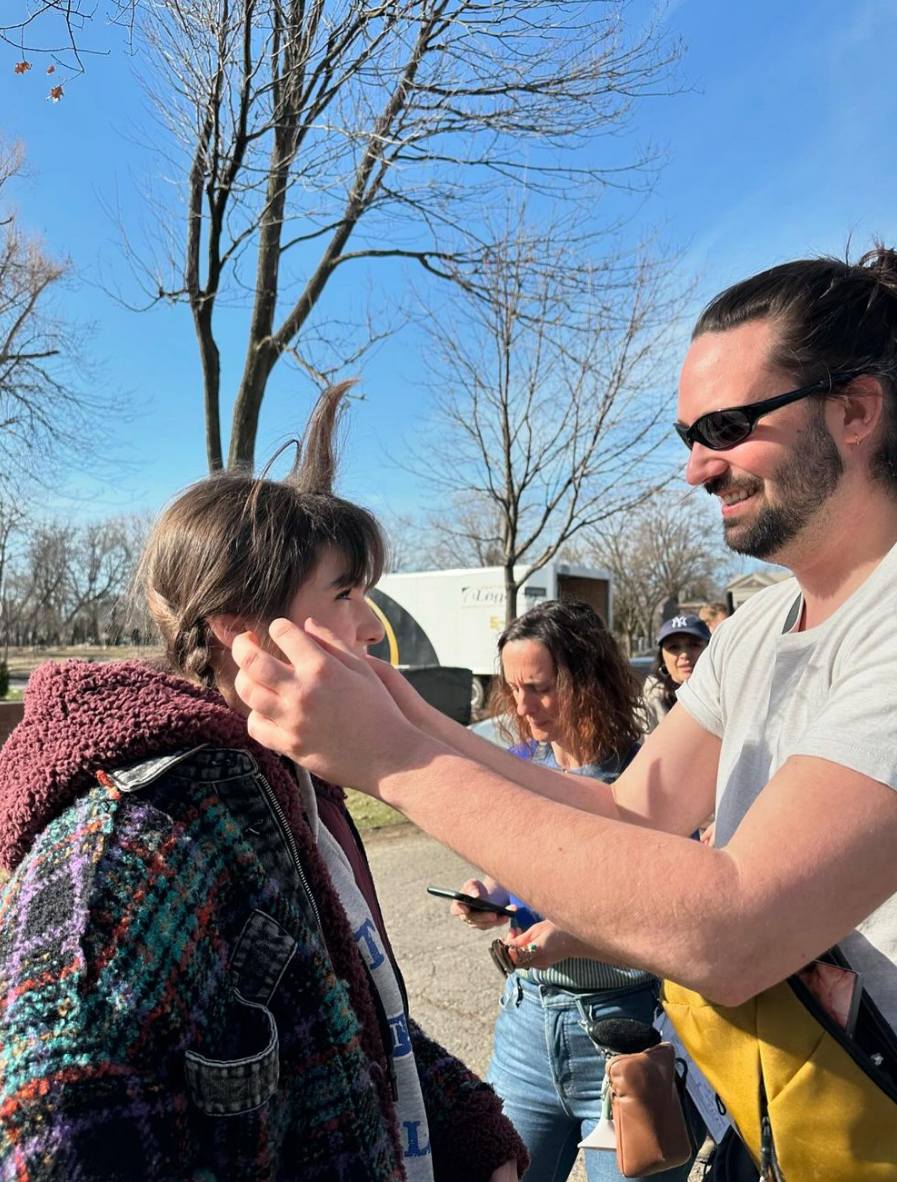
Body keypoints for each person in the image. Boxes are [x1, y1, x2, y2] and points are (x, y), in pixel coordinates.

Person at [230, 249, 897, 1166]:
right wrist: (399, 710)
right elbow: (633, 811)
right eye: (686, 436)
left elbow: (736, 926)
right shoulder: (759, 626)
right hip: (795, 1122)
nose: (697, 470)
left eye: (729, 427)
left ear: (855, 410)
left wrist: (393, 759)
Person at [0, 385, 527, 1182]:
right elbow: (62, 1137)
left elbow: (340, 1012)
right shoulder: (133, 840)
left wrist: (469, 1134)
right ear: (239, 625)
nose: (368, 627)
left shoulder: (288, 792)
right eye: (344, 594)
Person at [450, 600, 699, 1182]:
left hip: (628, 1031)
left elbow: (678, 919)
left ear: (588, 681)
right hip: (526, 1029)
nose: (521, 706)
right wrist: (486, 892)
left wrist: (577, 941)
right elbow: (510, 869)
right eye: (511, 689)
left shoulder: (650, 779)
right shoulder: (517, 766)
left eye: (538, 687)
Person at [642, 614, 711, 732]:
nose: (684, 654)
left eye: (694, 645)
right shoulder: (650, 705)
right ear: (662, 657)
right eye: (674, 647)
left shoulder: (727, 695)